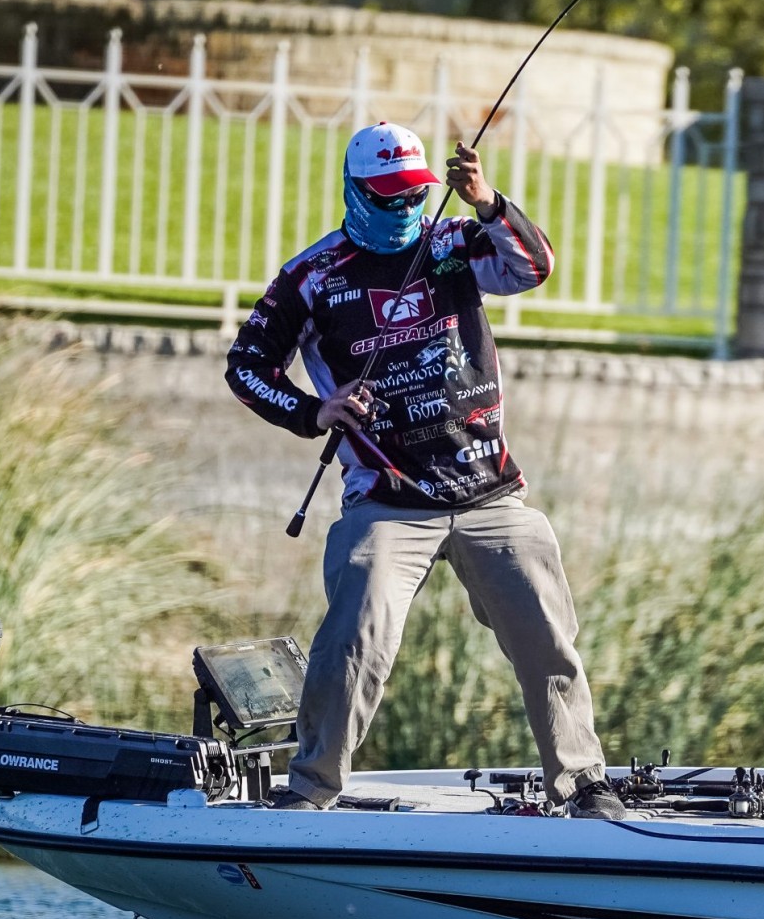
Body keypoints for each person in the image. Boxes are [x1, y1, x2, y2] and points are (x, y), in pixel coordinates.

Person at [226, 120, 625, 818]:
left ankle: (584, 782)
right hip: (386, 500)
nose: (403, 208)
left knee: (547, 634)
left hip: (489, 492)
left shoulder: (455, 243)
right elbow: (246, 366)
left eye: (414, 193)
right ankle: (310, 789)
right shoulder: (313, 276)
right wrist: (315, 410)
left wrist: (488, 201)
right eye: (386, 197)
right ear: (354, 193)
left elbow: (533, 266)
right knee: (355, 637)